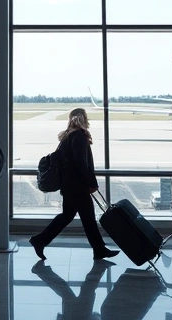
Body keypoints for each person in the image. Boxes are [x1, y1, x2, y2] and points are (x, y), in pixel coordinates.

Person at [29, 108, 119, 261]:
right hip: (78, 186)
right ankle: (99, 249)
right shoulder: (78, 136)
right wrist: (91, 182)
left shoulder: (67, 136)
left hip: (69, 185)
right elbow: (81, 163)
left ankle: (40, 240)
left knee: (68, 216)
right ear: (84, 119)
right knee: (88, 217)